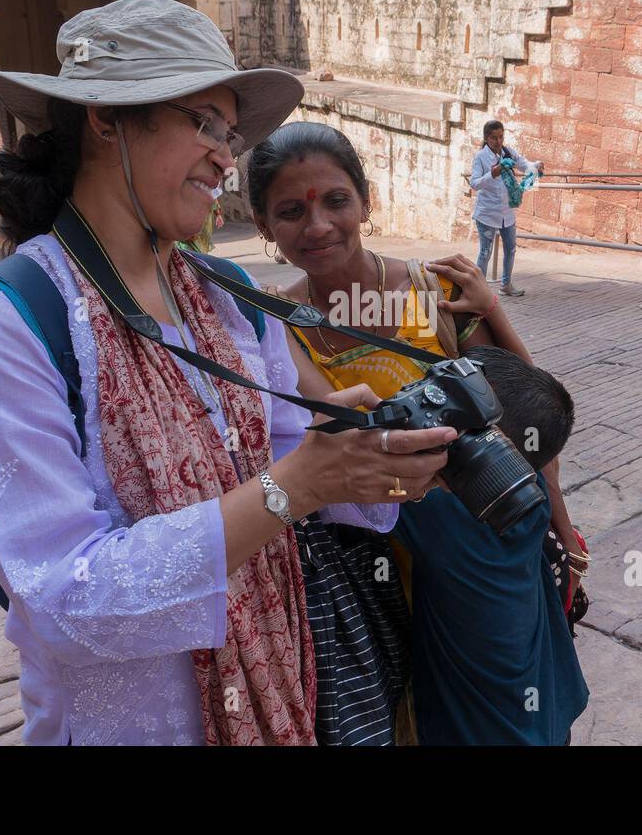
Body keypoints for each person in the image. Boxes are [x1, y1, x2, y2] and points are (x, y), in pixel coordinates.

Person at [0, 0, 454, 746]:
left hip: (281, 690)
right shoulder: (4, 328)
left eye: (229, 134)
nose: (224, 157)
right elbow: (63, 598)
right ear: (107, 118)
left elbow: (283, 460)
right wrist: (297, 484)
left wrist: (365, 467)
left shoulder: (221, 293)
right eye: (205, 123)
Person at [247, 121, 588, 741]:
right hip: (363, 580)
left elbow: (527, 420)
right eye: (291, 211)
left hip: (467, 561)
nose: (318, 225)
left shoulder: (435, 294)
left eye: (335, 200)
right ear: (265, 227)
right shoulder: (277, 330)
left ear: (366, 200)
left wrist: (562, 536)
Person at [392, 344, 589, 745]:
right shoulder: (528, 490)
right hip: (549, 715)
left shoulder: (445, 516)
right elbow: (543, 416)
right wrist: (491, 309)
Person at [470, 119, 543, 297]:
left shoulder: (507, 152)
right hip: (487, 212)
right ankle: (479, 291)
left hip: (507, 212)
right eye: (494, 138)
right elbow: (474, 183)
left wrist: (536, 166)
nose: (498, 141)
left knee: (510, 248)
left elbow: (524, 164)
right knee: (485, 252)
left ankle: (506, 284)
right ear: (487, 138)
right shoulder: (480, 157)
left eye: (501, 137)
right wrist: (492, 174)